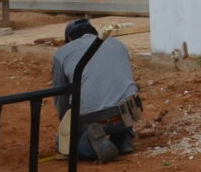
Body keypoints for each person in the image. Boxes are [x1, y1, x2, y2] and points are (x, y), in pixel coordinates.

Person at [52, 18, 143, 162]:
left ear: (69, 38)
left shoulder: (62, 52)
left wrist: (68, 128)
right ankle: (123, 137)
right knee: (121, 90)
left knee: (73, 147)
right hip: (126, 114)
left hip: (92, 119)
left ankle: (91, 142)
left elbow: (60, 96)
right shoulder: (118, 44)